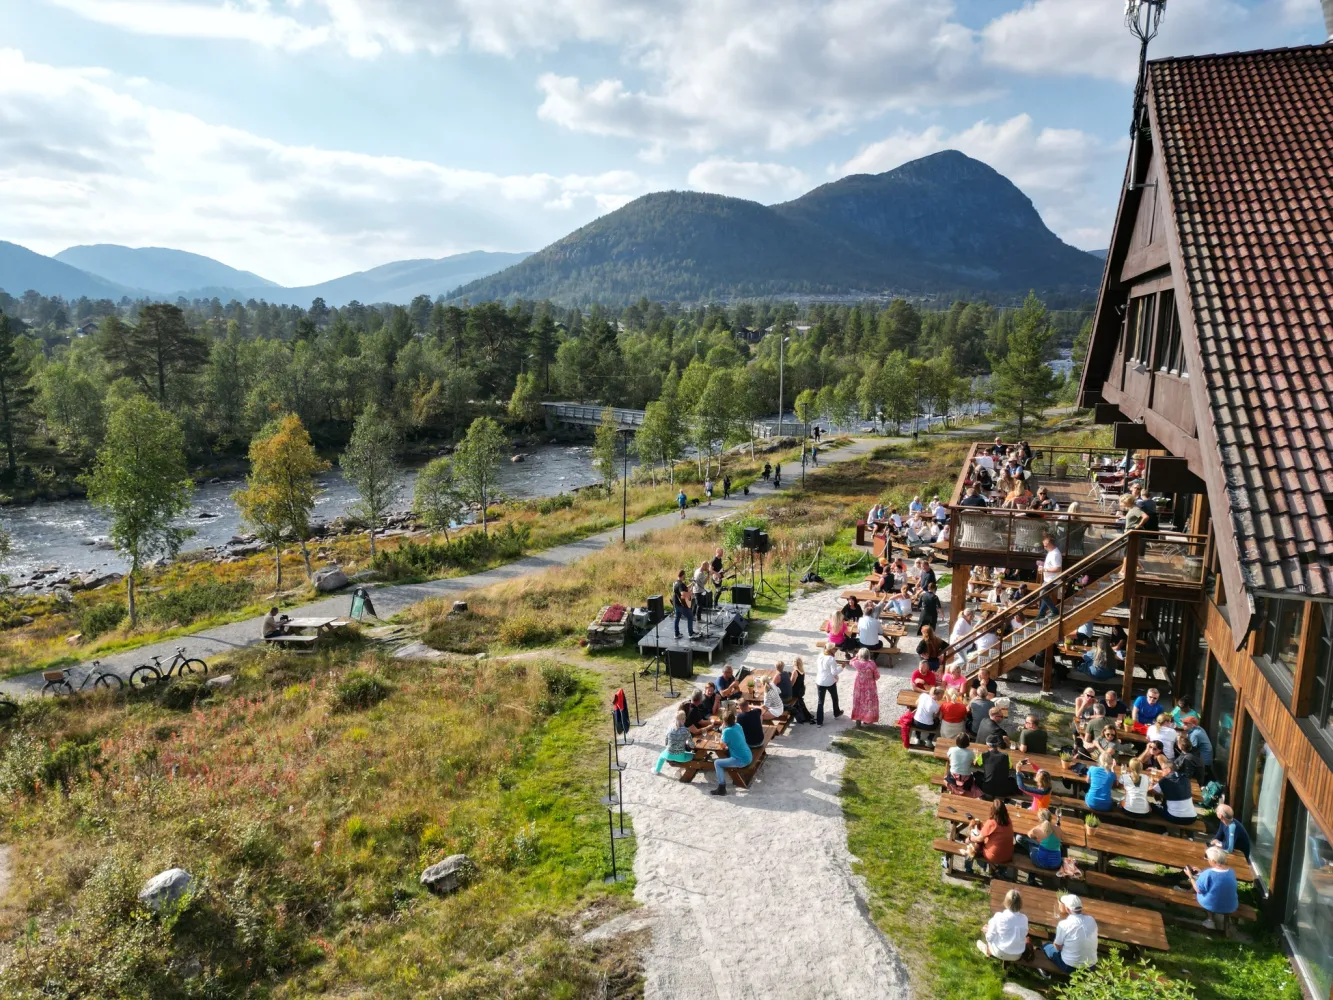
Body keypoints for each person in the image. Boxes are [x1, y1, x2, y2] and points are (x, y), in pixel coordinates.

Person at [1187, 847, 1239, 930]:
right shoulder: (1231, 871)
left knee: (1203, 890)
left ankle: (1210, 919)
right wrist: (1201, 873)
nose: (1207, 860)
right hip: (1231, 905)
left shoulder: (1208, 873)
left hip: (1213, 905)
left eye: (1208, 858)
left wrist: (1191, 877)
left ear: (1213, 861)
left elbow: (1198, 890)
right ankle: (1224, 919)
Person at [1043, 895, 1098, 973]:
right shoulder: (1091, 920)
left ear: (1067, 909)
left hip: (1070, 966)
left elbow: (1057, 946)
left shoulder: (1063, 924)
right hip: (1091, 966)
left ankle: (1044, 970)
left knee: (1045, 945)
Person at [710, 709, 752, 796]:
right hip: (748, 755)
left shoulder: (727, 731)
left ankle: (721, 787)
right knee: (726, 756)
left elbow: (722, 746)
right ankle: (721, 787)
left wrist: (720, 739)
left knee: (717, 763)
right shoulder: (738, 726)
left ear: (724, 721)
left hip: (740, 760)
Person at [977, 888, 1028, 961]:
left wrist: (987, 931)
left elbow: (989, 937)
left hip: (1000, 952)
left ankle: (987, 950)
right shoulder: (1024, 918)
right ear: (1020, 903)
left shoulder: (999, 916)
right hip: (1017, 955)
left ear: (1006, 902)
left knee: (988, 931)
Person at [814, 643, 843, 726]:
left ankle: (819, 722)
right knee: (834, 697)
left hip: (819, 681)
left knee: (820, 701)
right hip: (829, 681)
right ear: (831, 650)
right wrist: (842, 667)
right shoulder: (831, 659)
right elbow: (834, 672)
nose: (836, 650)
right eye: (835, 649)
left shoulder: (820, 655)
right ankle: (836, 712)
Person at [850, 649, 880, 727]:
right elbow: (877, 676)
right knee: (868, 702)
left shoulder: (857, 663)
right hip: (869, 687)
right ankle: (867, 719)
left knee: (858, 702)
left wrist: (856, 657)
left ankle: (858, 720)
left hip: (859, 686)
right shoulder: (872, 664)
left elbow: (851, 662)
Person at [1038, 535, 1063, 618]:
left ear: (1049, 544)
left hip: (1053, 580)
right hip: (1048, 579)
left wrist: (1045, 570)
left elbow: (1058, 568)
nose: (1044, 547)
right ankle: (1041, 614)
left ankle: (1054, 611)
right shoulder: (1051, 552)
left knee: (1042, 594)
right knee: (1044, 595)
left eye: (1045, 545)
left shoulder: (1056, 554)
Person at [788, 657, 814, 724]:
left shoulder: (795, 672)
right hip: (800, 689)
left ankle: (800, 717)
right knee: (800, 703)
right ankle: (805, 716)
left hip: (795, 691)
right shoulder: (802, 671)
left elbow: (791, 684)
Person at [671, 569, 695, 640]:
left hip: (676, 603)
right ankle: (691, 634)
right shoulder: (680, 584)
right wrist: (690, 593)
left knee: (677, 617)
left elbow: (684, 588)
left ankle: (676, 634)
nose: (685, 577)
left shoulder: (676, 582)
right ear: (683, 575)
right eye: (684, 575)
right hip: (681, 604)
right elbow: (683, 593)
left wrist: (691, 584)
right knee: (690, 616)